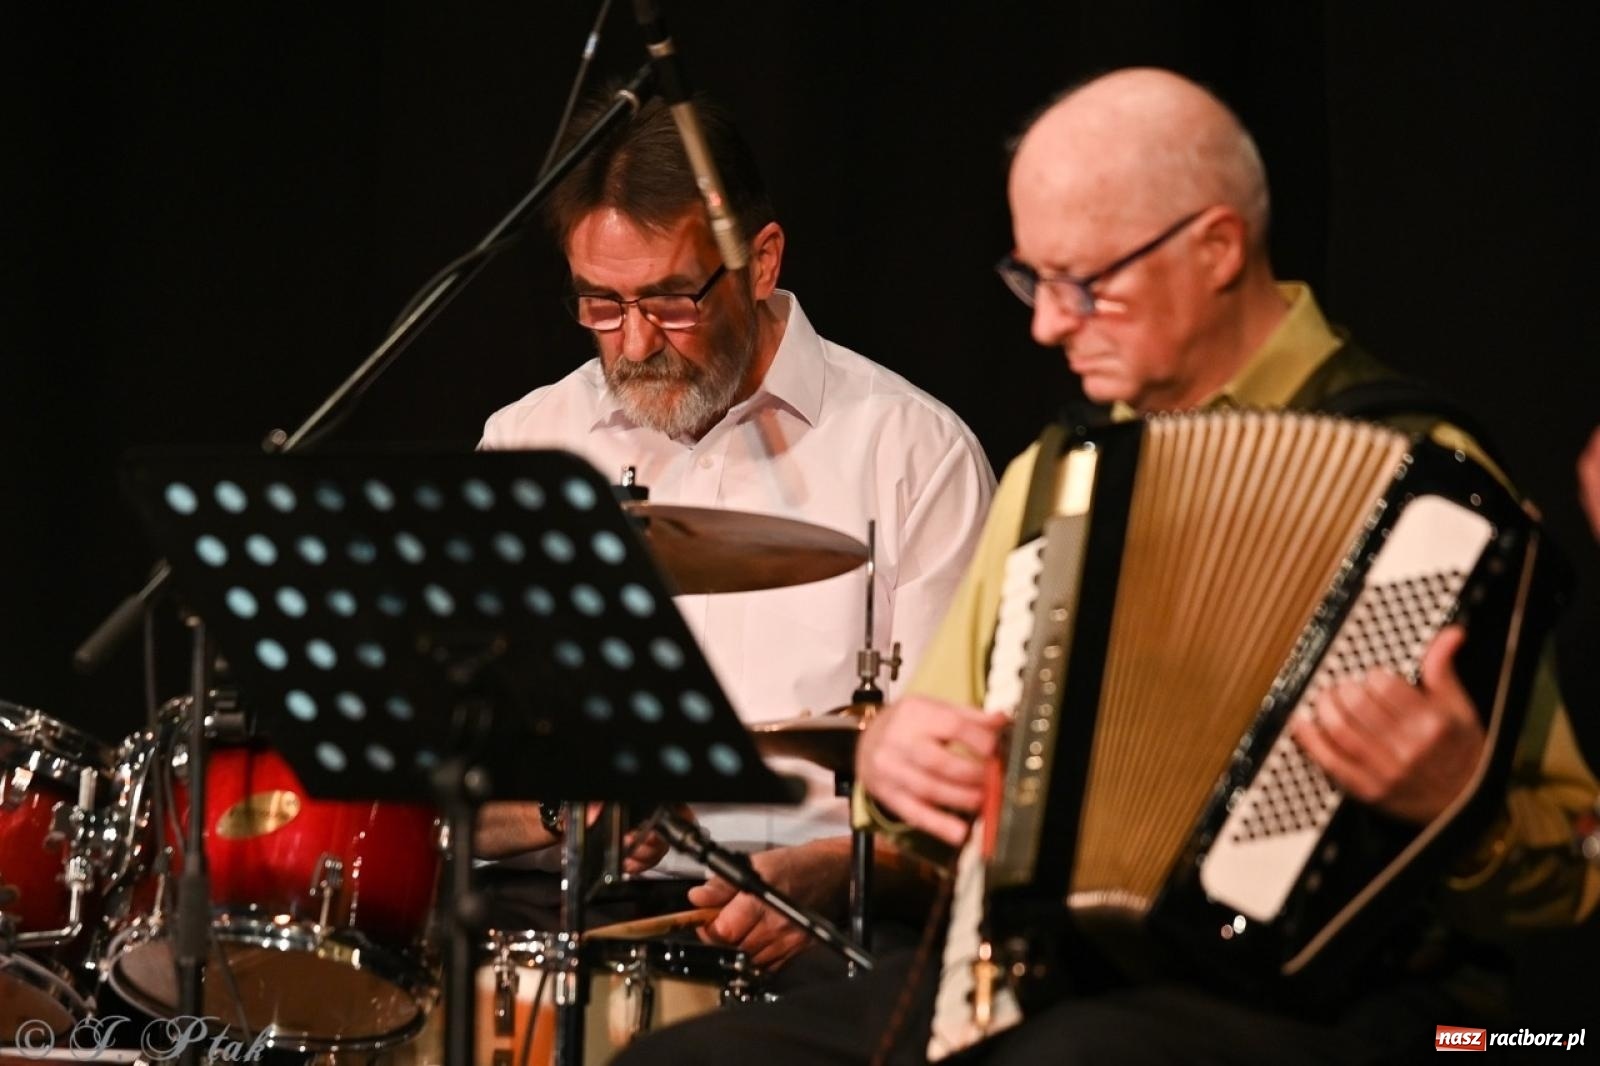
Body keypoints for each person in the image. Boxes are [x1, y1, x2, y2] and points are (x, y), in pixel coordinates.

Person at [615, 68, 1599, 1064]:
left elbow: (1577, 852)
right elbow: (920, 785)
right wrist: (898, 764)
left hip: (1353, 1009)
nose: (1045, 324)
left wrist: (1454, 803)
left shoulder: (1424, 484)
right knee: (680, 1059)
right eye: (1031, 280)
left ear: (1216, 248)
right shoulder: (1059, 479)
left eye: (1083, 283)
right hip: (1046, 982)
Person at [475, 88, 996, 978]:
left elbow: (964, 805)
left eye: (671, 300)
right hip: (558, 924)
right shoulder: (526, 446)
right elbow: (440, 798)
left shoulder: (912, 451)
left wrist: (840, 872)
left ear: (760, 261)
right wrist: (566, 815)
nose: (634, 343)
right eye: (600, 305)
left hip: (826, 935)